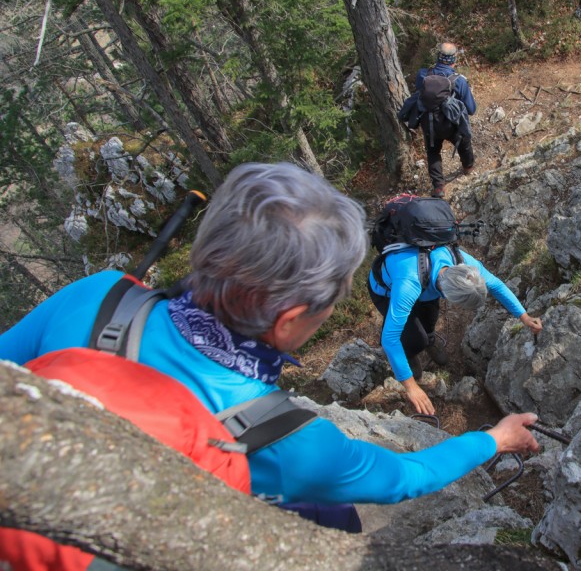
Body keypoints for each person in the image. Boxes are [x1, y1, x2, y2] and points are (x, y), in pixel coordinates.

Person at [0, 163, 539, 525]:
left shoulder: (96, 296)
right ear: (289, 322)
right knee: (338, 519)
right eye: (335, 296)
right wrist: (494, 439)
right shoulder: (287, 442)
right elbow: (405, 477)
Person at [368, 244, 543, 415]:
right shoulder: (409, 284)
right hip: (387, 290)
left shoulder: (463, 264)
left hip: (427, 283)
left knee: (430, 319)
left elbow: (496, 285)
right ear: (447, 295)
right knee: (414, 338)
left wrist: (524, 317)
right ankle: (411, 353)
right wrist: (411, 386)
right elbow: (389, 338)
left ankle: (429, 340)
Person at [415, 42, 477, 198]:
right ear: (454, 59)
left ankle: (438, 187)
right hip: (451, 124)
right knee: (464, 141)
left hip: (429, 123)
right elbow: (471, 109)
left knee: (433, 151)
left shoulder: (423, 75)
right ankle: (468, 166)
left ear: (438, 57)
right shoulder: (459, 81)